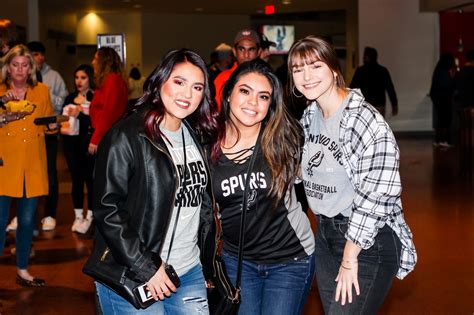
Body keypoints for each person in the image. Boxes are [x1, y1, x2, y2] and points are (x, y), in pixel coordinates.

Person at [287, 36, 417, 314]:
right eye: (298, 69)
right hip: (325, 233)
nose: (306, 76)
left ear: (334, 69)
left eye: (315, 66)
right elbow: (300, 170)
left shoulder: (364, 121)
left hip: (367, 241)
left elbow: (377, 195)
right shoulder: (310, 117)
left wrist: (350, 257)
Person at [84, 48, 218, 314]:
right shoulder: (127, 136)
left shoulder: (198, 136)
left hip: (188, 271)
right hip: (133, 272)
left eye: (197, 87)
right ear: (160, 81)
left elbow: (201, 210)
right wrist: (147, 266)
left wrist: (205, 263)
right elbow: (107, 210)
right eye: (179, 82)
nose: (187, 94)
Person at [209, 59, 315, 315]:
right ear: (229, 94)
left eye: (263, 96)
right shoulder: (208, 146)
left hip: (290, 259)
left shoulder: (284, 141)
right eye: (245, 91)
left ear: (270, 105)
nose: (253, 103)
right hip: (238, 262)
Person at [0, 44, 55, 286]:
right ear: (7, 67)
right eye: (15, 65)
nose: (20, 70)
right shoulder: (0, 92)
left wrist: (53, 126)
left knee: (27, 222)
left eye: (25, 65)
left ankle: (22, 269)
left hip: (32, 164)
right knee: (0, 223)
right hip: (4, 164)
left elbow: (49, 121)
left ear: (31, 67)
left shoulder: (42, 91)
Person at [21, 41, 67, 232]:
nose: (38, 57)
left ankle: (50, 214)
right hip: (27, 135)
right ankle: (27, 218)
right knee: (27, 174)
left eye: (40, 53)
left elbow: (62, 97)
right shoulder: (21, 77)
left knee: (50, 173)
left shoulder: (53, 77)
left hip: (48, 130)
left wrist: (45, 96)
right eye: (34, 53)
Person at [81, 47, 128, 233]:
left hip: (106, 138)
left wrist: (96, 138)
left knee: (103, 185)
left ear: (104, 61)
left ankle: (104, 227)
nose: (93, 62)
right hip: (105, 136)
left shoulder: (112, 81)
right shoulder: (110, 81)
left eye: (95, 58)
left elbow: (109, 113)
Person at [61, 64, 95, 233]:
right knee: (76, 180)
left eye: (83, 77)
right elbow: (63, 121)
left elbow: (96, 121)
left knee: (91, 181)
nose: (79, 81)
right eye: (76, 77)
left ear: (90, 78)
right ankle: (77, 216)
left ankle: (90, 216)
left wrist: (81, 112)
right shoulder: (69, 98)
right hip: (71, 144)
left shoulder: (95, 97)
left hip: (89, 144)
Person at [214, 29, 261, 110]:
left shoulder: (265, 80)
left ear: (259, 52)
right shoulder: (222, 79)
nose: (246, 55)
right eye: (241, 49)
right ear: (234, 51)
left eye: (251, 49)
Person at [350, 46, 398, 117]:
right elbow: (390, 89)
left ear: (367, 57)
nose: (363, 58)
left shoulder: (360, 71)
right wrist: (394, 104)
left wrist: (349, 103)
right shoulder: (382, 71)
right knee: (378, 126)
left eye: (365, 56)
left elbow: (352, 88)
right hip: (379, 106)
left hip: (364, 106)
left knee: (364, 127)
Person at [429, 53, 456, 147]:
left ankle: (439, 140)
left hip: (438, 98)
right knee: (446, 120)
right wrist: (452, 78)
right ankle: (444, 140)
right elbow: (448, 87)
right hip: (444, 98)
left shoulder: (438, 70)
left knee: (441, 120)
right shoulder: (444, 72)